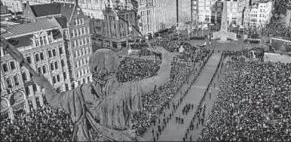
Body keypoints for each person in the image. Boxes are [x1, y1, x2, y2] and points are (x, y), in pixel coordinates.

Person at [2, 36, 176, 142]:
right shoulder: (128, 89)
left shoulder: (79, 93)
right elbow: (162, 78)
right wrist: (166, 57)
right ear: (116, 68)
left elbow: (54, 101)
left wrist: (46, 84)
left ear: (92, 69)